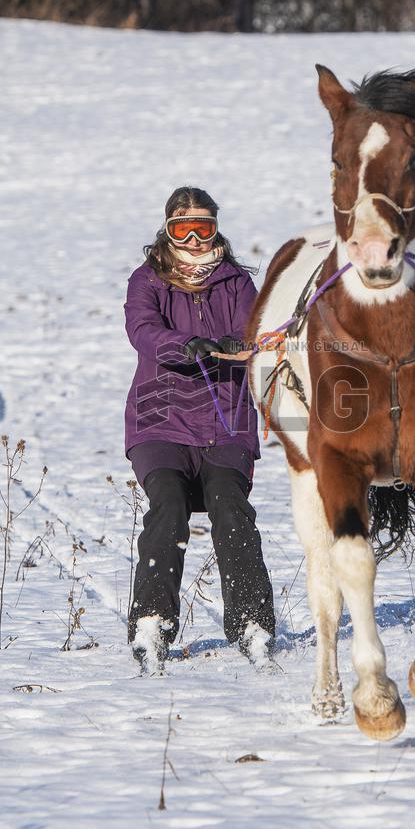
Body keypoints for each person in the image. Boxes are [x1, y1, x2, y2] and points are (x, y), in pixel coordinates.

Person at [124, 186, 275, 673]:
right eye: (182, 229)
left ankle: (252, 623)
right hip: (161, 421)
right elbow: (142, 330)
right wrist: (184, 343)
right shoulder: (146, 281)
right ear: (167, 229)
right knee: (167, 509)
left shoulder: (235, 282)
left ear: (216, 230)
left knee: (231, 511)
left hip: (224, 422)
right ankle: (152, 623)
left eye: (203, 229)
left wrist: (242, 343)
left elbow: (256, 332)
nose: (193, 239)